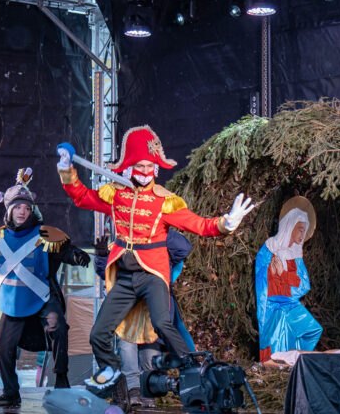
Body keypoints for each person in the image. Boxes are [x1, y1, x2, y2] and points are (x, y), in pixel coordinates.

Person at [56, 125, 255, 394]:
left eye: (150, 165)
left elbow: (198, 224)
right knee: (98, 333)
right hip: (125, 277)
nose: (145, 171)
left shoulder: (164, 201)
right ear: (129, 166)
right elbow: (82, 197)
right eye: (140, 165)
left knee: (163, 323)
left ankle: (194, 369)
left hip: (152, 275)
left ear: (156, 168)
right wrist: (67, 169)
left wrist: (225, 224)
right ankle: (109, 368)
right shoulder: (116, 194)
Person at [0, 167, 91, 407]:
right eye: (18, 208)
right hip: (13, 302)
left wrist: (76, 256)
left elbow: (64, 250)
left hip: (43, 297)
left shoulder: (45, 234)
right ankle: (10, 392)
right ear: (9, 210)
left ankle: (62, 382)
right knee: (2, 347)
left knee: (58, 328)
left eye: (26, 207)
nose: (22, 211)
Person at [93, 230, 195, 406]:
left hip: (152, 307)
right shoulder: (123, 242)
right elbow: (106, 271)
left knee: (150, 351)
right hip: (129, 311)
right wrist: (102, 256)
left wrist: (158, 228)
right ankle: (132, 390)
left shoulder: (159, 243)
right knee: (127, 347)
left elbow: (183, 248)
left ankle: (149, 390)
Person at [255, 196, 322, 362]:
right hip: (271, 303)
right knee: (278, 326)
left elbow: (303, 285)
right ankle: (277, 363)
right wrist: (272, 271)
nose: (302, 234)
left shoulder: (296, 254)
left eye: (304, 230)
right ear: (290, 226)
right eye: (300, 229)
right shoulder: (270, 247)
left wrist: (284, 273)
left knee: (313, 330)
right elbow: (261, 277)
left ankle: (295, 359)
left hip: (290, 303)